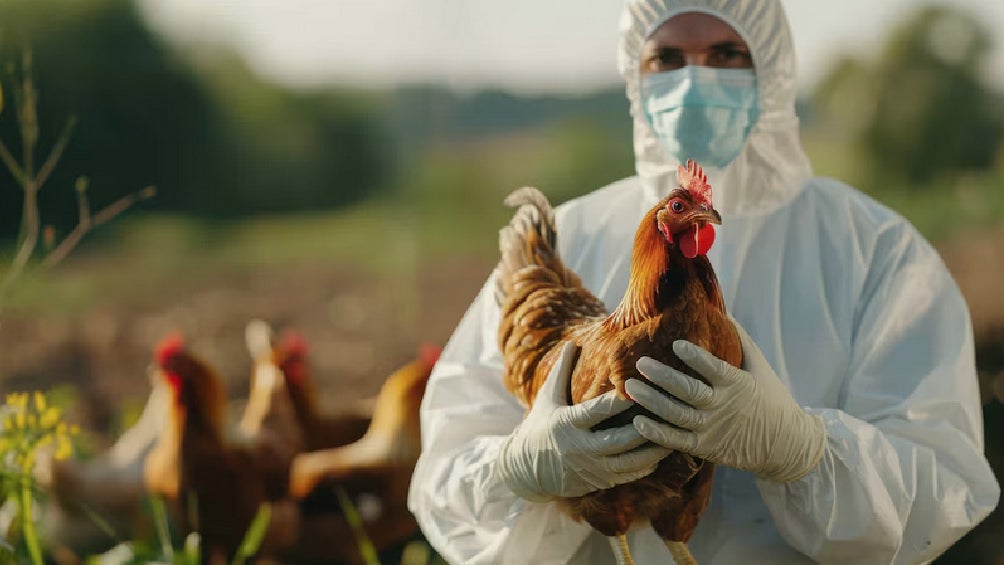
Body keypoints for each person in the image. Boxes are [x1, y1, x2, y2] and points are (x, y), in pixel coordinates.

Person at [407, 0, 1001, 563]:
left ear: (772, 65)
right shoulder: (569, 238)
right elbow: (445, 472)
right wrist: (519, 470)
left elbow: (943, 487)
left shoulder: (878, 253)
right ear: (635, 73)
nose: (695, 81)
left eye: (725, 54)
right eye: (667, 58)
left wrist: (803, 451)